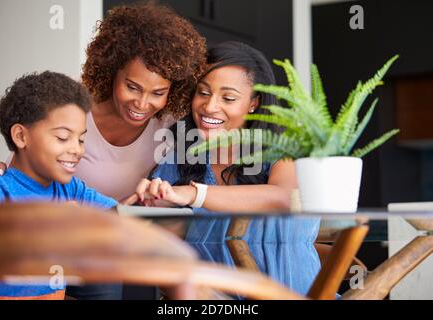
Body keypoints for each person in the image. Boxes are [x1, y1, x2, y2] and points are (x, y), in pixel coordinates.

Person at [0, 4, 206, 299]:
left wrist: (147, 201)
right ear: (113, 72)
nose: (142, 104)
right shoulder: (69, 105)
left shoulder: (171, 125)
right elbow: (23, 173)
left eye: (157, 93)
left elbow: (117, 212)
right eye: (133, 87)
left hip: (100, 249)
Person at [129, 41, 321, 295]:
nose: (209, 107)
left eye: (228, 97)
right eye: (203, 92)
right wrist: (159, 206)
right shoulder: (177, 161)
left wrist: (194, 194)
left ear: (254, 103)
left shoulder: (282, 152)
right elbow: (164, 258)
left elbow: (286, 198)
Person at [0, 71, 122, 299]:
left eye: (81, 139)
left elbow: (118, 216)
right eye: (62, 137)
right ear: (20, 136)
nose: (78, 149)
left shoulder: (70, 189)